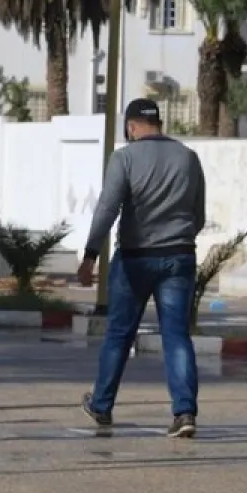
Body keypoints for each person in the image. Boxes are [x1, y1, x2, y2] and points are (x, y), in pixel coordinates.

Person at [78, 98, 207, 439]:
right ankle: (184, 412)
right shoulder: (188, 158)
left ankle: (102, 405)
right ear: (159, 123)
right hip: (179, 257)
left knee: (120, 334)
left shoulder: (124, 157)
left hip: (135, 258)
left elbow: (107, 208)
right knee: (176, 335)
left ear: (132, 126)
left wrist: (91, 254)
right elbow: (199, 215)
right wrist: (176, 239)